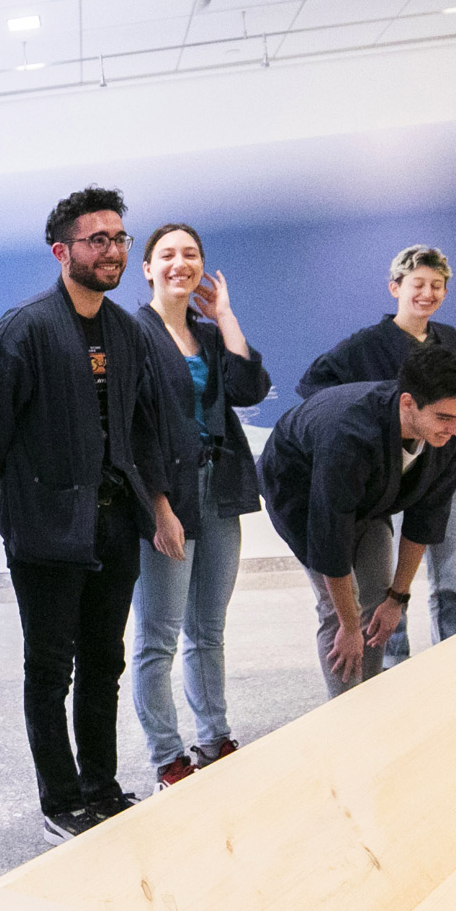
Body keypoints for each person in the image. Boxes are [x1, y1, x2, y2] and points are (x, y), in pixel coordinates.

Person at [0, 187, 185, 842]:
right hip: (47, 533)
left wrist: (161, 509)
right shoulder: (24, 328)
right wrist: (23, 496)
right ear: (62, 251)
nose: (113, 251)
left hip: (116, 525)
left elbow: (142, 425)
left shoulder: (126, 331)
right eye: (98, 240)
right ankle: (60, 800)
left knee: (104, 662)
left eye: (119, 238)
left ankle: (102, 788)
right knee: (49, 668)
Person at [128, 223, 270, 790]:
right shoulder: (132, 332)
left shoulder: (209, 336)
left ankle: (214, 736)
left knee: (208, 630)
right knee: (158, 636)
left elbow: (250, 389)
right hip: (168, 496)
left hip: (221, 490)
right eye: (167, 255)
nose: (179, 264)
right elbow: (133, 430)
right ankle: (168, 756)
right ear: (147, 268)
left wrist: (226, 317)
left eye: (190, 255)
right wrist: (159, 507)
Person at [259, 344, 456, 697]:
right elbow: (330, 539)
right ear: (408, 403)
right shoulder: (348, 435)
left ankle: (369, 700)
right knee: (339, 609)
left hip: (372, 495)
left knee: (378, 601)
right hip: (300, 491)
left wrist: (397, 600)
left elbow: (425, 519)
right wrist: (349, 625)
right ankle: (346, 715)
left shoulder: (451, 429)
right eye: (445, 418)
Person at [297, 244, 456, 666]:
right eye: (418, 284)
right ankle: (396, 663)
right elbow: (312, 388)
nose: (427, 293)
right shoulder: (366, 344)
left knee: (451, 580)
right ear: (395, 287)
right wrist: (370, 420)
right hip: (395, 480)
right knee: (393, 583)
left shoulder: (447, 337)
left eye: (437, 286)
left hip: (447, 470)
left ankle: (455, 659)